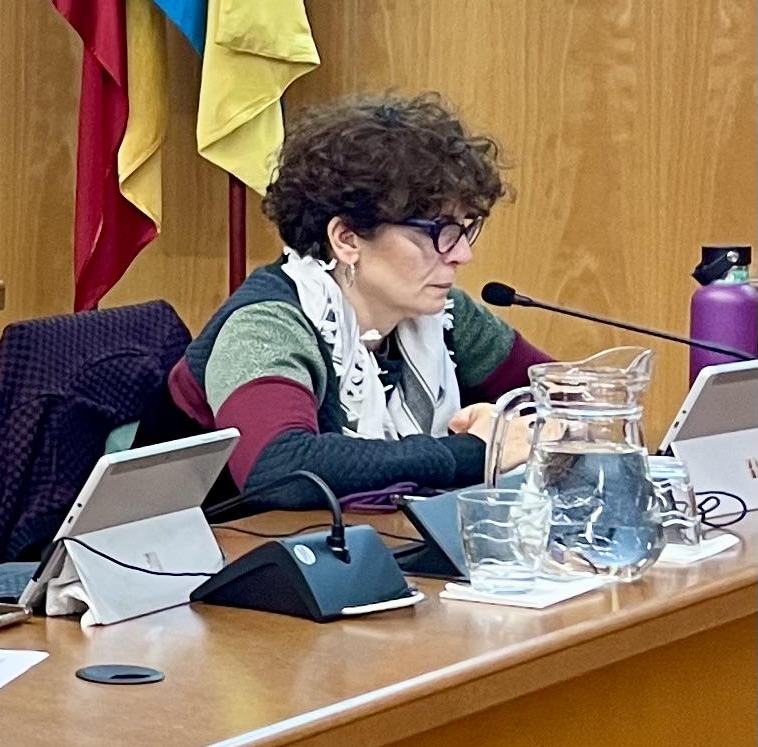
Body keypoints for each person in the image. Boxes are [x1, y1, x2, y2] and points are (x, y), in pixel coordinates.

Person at [167, 93, 545, 503]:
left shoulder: (443, 313)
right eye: (438, 231)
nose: (461, 254)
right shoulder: (265, 326)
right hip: (215, 539)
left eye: (464, 228)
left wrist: (542, 423)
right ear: (347, 239)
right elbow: (278, 468)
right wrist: (475, 451)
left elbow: (560, 398)